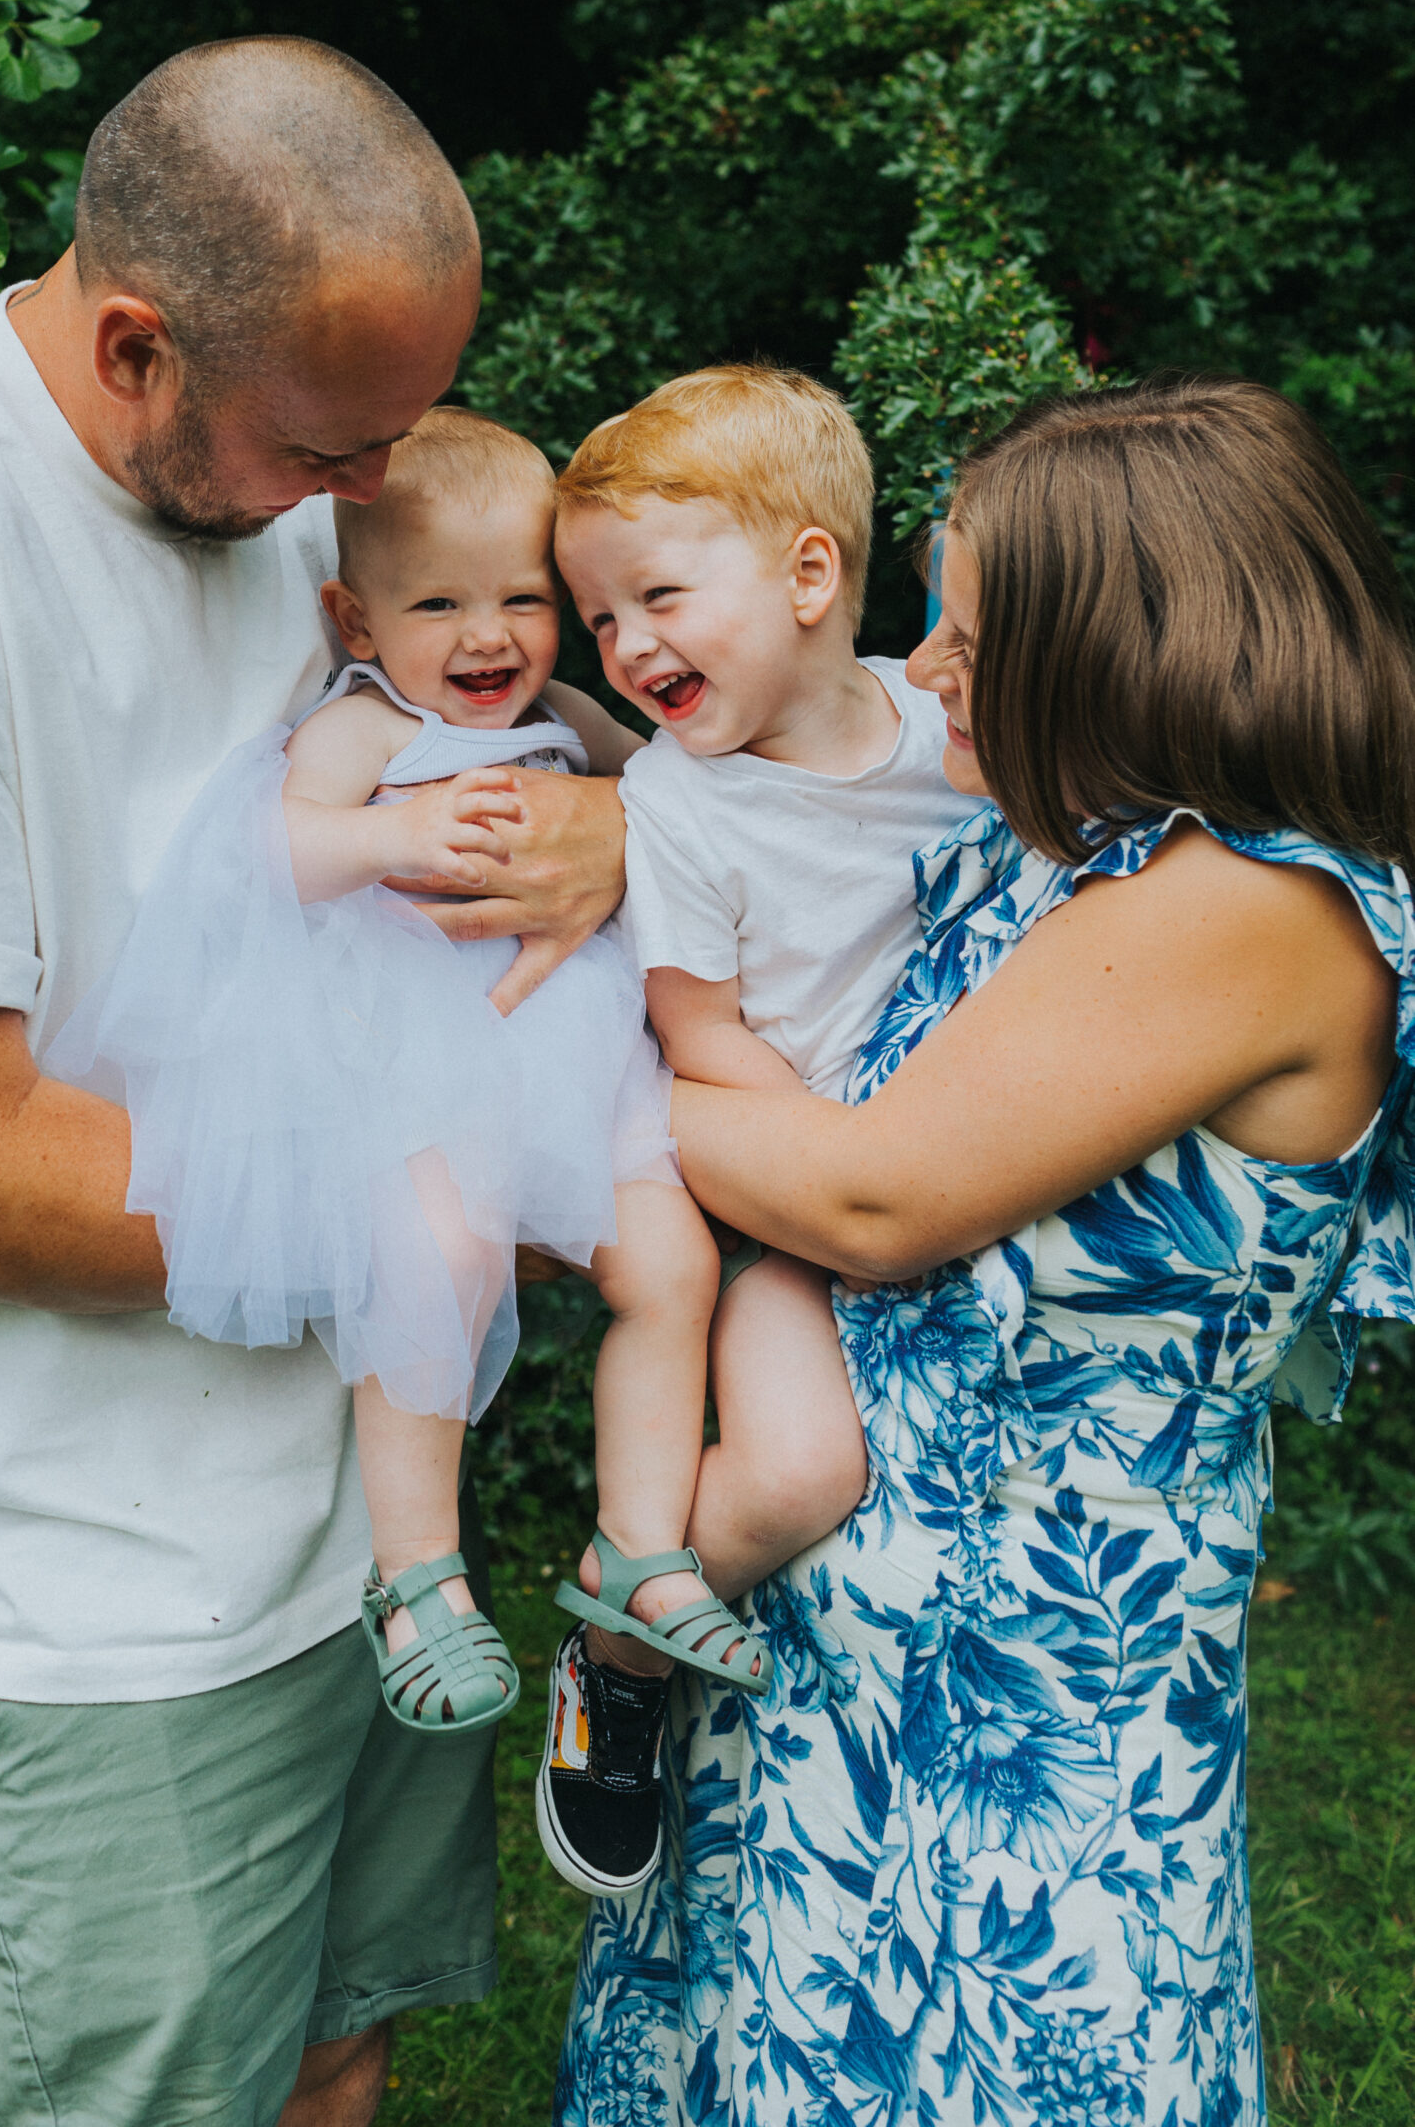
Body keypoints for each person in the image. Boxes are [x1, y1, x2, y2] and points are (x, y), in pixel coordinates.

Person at [0, 35, 626, 2127]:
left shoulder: (271, 483)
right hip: (97, 1614)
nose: (367, 491)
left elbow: (466, 708)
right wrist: (446, 1189)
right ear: (136, 342)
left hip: (358, 1544)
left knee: (335, 2065)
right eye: (331, 444)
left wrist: (623, 829)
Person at [556, 372, 1415, 2127]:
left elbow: (873, 1195)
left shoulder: (1248, 905)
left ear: (1123, 645)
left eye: (965, 640)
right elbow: (779, 864)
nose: (925, 670)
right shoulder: (1067, 851)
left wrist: (570, 1104)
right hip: (834, 1648)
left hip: (1034, 1705)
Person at [49, 402, 767, 1777]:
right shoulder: (364, 725)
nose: (488, 636)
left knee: (673, 1269)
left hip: (582, 1046)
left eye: (520, 597)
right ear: (358, 620)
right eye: (439, 602)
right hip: (419, 1058)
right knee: (439, 1263)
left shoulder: (564, 717)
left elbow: (682, 798)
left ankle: (640, 1544)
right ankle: (418, 1578)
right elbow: (265, 849)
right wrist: (389, 831)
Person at [541, 363, 965, 1896]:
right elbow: (701, 1038)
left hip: (969, 1155)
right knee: (791, 1474)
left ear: (808, 573)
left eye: (657, 594)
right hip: (787, 1188)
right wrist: (861, 1167)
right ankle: (613, 1660)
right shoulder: (679, 805)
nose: (628, 643)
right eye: (599, 619)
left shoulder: (943, 724)